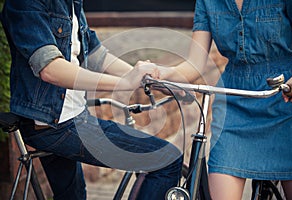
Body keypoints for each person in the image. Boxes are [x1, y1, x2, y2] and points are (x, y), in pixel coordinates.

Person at [0, 1, 183, 200]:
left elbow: (97, 55)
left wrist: (146, 79)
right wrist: (124, 83)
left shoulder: (71, 3)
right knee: (166, 159)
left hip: (69, 118)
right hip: (56, 125)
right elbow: (50, 69)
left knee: (74, 196)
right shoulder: (26, 3)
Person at [158, 0, 292, 199]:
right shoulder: (207, 2)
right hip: (233, 106)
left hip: (285, 98)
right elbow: (195, 64)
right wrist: (162, 74)